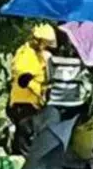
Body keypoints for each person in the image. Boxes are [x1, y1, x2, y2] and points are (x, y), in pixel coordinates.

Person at [7, 24, 57, 155]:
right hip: (23, 103)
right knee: (24, 140)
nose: (46, 47)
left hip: (33, 104)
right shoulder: (25, 54)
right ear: (38, 40)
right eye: (45, 43)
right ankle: (21, 165)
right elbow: (23, 79)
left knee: (31, 137)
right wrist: (41, 92)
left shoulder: (38, 55)